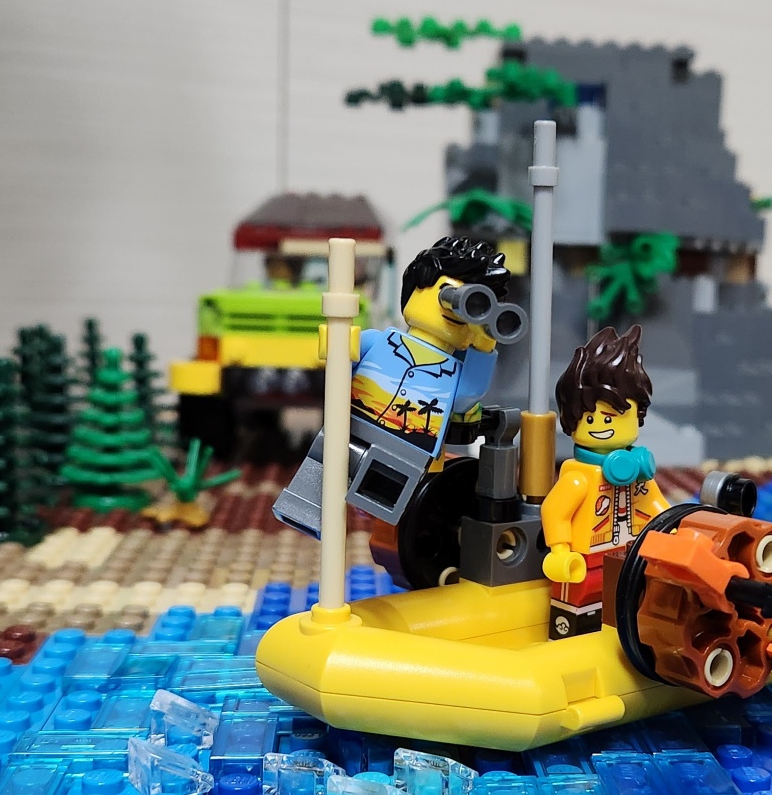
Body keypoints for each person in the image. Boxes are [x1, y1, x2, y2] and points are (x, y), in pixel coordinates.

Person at [273, 235, 511, 534]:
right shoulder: (378, 341)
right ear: (415, 289)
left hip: (408, 451)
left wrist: (485, 341)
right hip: (351, 431)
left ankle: (390, 534)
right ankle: (303, 512)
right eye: (448, 294)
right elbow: (337, 367)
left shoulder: (454, 372)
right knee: (321, 476)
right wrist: (335, 345)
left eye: (474, 305)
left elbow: (467, 395)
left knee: (400, 518)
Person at [541, 325, 669, 638]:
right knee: (581, 604)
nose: (599, 425)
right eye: (588, 418)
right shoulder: (579, 478)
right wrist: (560, 551)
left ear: (637, 414)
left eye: (610, 417)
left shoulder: (636, 472)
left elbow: (655, 504)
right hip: (587, 560)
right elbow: (554, 511)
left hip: (633, 554)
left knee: (631, 601)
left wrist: (672, 529)